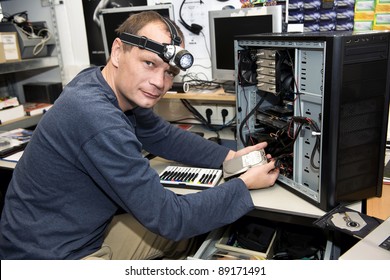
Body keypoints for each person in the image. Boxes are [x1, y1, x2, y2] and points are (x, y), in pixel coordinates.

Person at [0, 11, 279, 260]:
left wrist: (231, 157)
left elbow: (162, 136)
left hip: (78, 236)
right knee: (186, 229)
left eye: (169, 72)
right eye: (149, 63)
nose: (160, 82)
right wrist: (243, 186)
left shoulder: (98, 81)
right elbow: (170, 218)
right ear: (118, 52)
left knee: (192, 236)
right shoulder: (97, 118)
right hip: (49, 257)